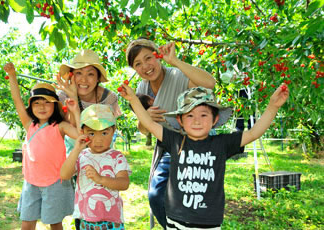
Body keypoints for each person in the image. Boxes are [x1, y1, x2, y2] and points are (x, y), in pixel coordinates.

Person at [119, 84, 289, 229]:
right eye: (190, 115)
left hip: (208, 222)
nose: (197, 121)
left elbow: (253, 133)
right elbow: (148, 123)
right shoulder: (174, 141)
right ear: (180, 120)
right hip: (174, 220)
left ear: (215, 119)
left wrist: (273, 106)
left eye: (203, 115)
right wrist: (133, 98)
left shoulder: (222, 143)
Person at [126, 38, 216, 228]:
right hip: (168, 147)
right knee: (156, 195)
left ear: (158, 55)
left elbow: (209, 83)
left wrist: (174, 61)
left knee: (188, 198)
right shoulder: (142, 88)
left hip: (191, 146)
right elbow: (143, 130)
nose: (145, 66)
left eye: (148, 58)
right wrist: (146, 118)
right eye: (138, 64)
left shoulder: (178, 75)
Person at [4, 62, 80, 230]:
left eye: (47, 103)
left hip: (55, 182)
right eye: (37, 103)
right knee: (27, 223)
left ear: (55, 105)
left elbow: (80, 136)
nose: (42, 107)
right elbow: (17, 100)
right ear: (31, 106)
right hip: (31, 182)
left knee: (55, 224)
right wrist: (12, 76)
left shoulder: (61, 127)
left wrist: (75, 111)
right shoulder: (29, 124)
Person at [56, 49, 122, 229]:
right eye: (79, 73)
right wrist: (72, 99)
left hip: (102, 154)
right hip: (75, 154)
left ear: (99, 77)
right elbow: (74, 135)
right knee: (84, 198)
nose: (84, 80)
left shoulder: (108, 98)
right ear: (71, 76)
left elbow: (106, 131)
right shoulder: (62, 97)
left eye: (90, 74)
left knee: (105, 193)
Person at [60, 104, 130, 230]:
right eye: (91, 133)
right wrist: (76, 150)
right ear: (82, 132)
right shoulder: (81, 155)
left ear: (113, 131)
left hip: (112, 222)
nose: (98, 140)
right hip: (85, 220)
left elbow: (124, 183)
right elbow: (64, 175)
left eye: (104, 133)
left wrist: (100, 179)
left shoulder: (116, 157)